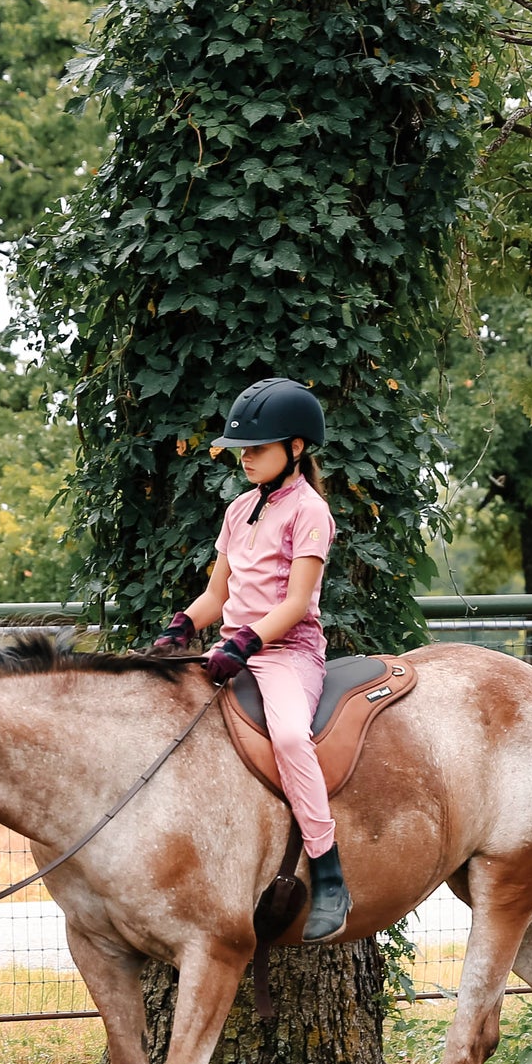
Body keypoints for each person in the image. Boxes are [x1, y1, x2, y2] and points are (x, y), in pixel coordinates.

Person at [153, 377, 350, 942]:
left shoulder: (311, 512)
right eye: (243, 450)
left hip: (288, 653)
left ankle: (329, 869)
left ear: (295, 448)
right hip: (234, 648)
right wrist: (182, 627)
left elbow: (295, 604)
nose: (246, 459)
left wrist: (243, 644)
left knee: (290, 738)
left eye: (258, 449)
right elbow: (218, 596)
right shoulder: (239, 509)